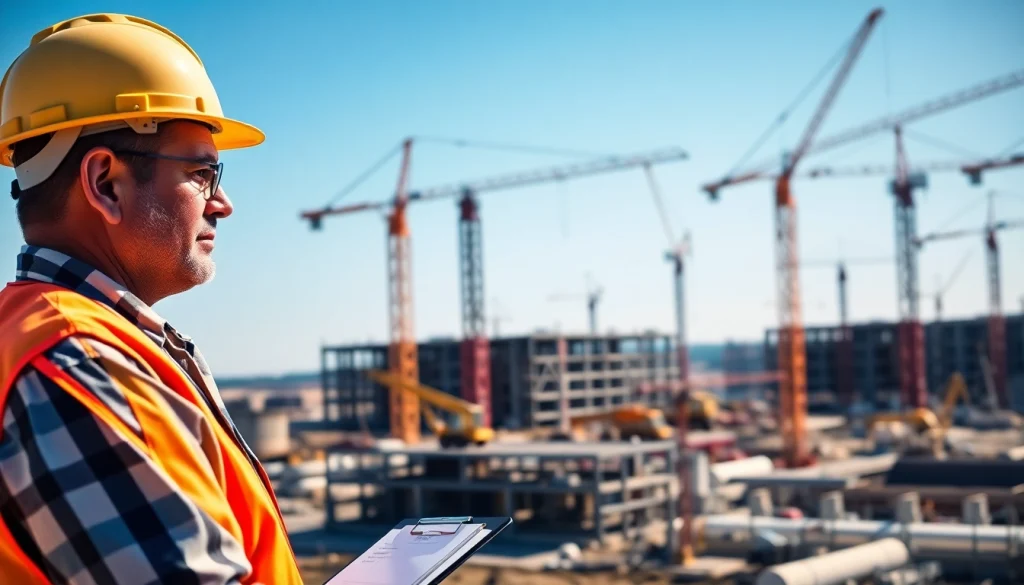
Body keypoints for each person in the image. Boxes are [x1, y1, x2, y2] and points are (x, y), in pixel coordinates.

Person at [0, 14, 302, 584]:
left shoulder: (54, 338)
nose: (223, 203)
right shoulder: (76, 364)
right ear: (106, 183)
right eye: (202, 173)